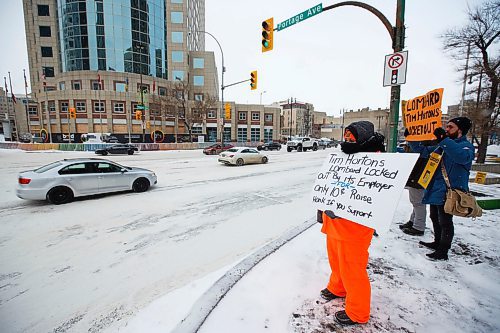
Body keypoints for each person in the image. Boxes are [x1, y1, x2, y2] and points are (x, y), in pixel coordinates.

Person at [318, 121, 385, 326]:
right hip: (335, 221)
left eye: (352, 136)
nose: (347, 140)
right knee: (336, 261)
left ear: (363, 138)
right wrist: (321, 206)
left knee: (353, 269)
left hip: (355, 226)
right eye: (346, 136)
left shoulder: (376, 161)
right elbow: (328, 183)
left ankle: (358, 312)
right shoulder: (343, 156)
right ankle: (337, 288)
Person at [408, 117, 474, 261]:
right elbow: (423, 151)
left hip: (450, 191)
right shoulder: (442, 146)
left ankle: (443, 250)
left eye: (450, 127)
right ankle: (437, 242)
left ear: (460, 130)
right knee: (434, 217)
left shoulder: (466, 146)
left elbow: (461, 157)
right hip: (435, 189)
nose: (447, 129)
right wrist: (411, 137)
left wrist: (444, 140)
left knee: (445, 221)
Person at [399, 139, 431, 236]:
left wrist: (412, 139)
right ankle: (413, 221)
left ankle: (418, 226)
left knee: (418, 203)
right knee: (416, 202)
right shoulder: (427, 145)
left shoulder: (427, 147)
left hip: (419, 177)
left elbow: (419, 151)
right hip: (417, 176)